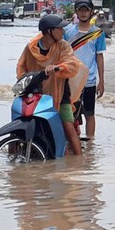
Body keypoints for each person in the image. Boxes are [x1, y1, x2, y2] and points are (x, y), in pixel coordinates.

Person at [17, 14, 88, 155]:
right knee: (19, 119)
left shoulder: (63, 46)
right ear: (50, 31)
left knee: (68, 124)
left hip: (60, 92)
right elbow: (21, 67)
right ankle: (13, 153)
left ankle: (79, 160)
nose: (63, 31)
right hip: (36, 92)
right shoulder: (31, 48)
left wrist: (58, 67)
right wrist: (23, 81)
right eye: (60, 28)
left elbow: (72, 63)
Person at [64, 0, 106, 140]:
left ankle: (90, 145)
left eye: (86, 10)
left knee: (89, 113)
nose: (83, 13)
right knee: (68, 113)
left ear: (91, 12)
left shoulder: (98, 33)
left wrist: (101, 81)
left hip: (89, 81)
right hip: (70, 80)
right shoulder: (67, 31)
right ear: (76, 11)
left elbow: (99, 57)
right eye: (80, 10)